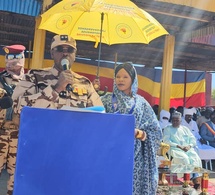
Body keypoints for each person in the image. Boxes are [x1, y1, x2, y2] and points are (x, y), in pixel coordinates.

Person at [11, 34, 103, 194]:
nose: (65, 53)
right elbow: (18, 106)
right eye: (60, 49)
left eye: (70, 50)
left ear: (75, 55)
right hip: (40, 151)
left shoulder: (85, 83)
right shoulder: (34, 76)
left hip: (73, 155)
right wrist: (56, 89)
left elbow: (100, 115)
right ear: (52, 53)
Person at [101, 62, 162, 195]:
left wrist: (139, 133)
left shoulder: (141, 103)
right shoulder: (105, 100)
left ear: (133, 79)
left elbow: (155, 131)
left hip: (135, 159)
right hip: (109, 154)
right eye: (118, 76)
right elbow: (96, 124)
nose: (120, 80)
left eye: (125, 77)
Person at [0, 44, 26, 195]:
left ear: (22, 59)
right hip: (1, 133)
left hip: (20, 138)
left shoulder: (31, 83)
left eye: (16, 57)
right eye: (10, 57)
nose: (13, 61)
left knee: (16, 178)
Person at [163, 111, 202, 188]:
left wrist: (189, 146)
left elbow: (192, 139)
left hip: (187, 149)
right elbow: (166, 141)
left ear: (180, 121)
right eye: (173, 120)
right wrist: (178, 146)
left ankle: (195, 178)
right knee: (185, 159)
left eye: (177, 120)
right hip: (175, 148)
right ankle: (187, 179)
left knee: (195, 158)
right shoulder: (167, 129)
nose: (175, 122)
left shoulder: (185, 129)